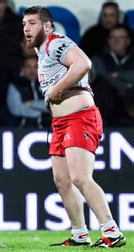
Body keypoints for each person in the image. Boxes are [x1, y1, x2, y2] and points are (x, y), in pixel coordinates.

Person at [22, 6, 126, 248]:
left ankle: (112, 233)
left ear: (47, 26)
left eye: (32, 23)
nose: (26, 28)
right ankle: (80, 234)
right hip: (60, 123)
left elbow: (83, 63)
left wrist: (57, 90)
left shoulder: (55, 42)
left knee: (80, 177)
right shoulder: (42, 51)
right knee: (62, 180)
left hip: (79, 117)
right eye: (24, 23)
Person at [90, 25, 134, 127]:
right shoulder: (98, 59)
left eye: (120, 37)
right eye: (112, 37)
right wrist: (125, 84)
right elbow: (96, 78)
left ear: (128, 41)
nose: (116, 40)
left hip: (130, 104)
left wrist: (118, 75)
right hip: (107, 111)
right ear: (108, 41)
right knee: (101, 84)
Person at [6, 55, 49, 128]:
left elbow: (52, 106)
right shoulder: (15, 85)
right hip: (23, 129)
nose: (32, 70)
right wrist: (42, 113)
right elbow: (16, 109)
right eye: (28, 67)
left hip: (48, 128)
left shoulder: (48, 84)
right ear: (23, 69)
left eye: (36, 67)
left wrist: (31, 104)